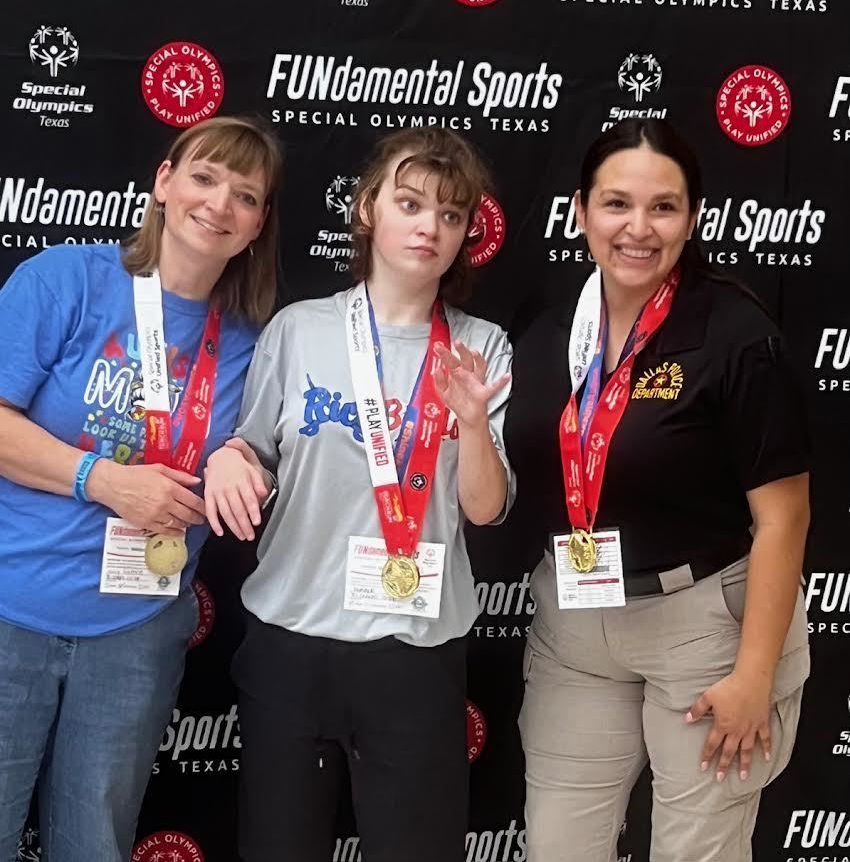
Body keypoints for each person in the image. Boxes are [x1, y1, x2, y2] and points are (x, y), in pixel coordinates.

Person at [203, 126, 515, 862]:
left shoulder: (482, 346)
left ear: (467, 232)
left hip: (414, 653)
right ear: (370, 207)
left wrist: (471, 422)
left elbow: (483, 508)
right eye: (411, 203)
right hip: (293, 641)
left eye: (450, 214)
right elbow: (254, 448)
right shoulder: (298, 329)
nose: (429, 227)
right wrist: (228, 457)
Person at [505, 118, 810, 862]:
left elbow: (785, 518)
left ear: (692, 216)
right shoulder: (550, 331)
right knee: (558, 848)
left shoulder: (735, 333)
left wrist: (753, 674)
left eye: (663, 207)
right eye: (616, 204)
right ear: (581, 212)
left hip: (705, 626)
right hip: (576, 627)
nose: (638, 228)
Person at [0, 114, 282, 861]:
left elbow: (259, 445)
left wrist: (237, 451)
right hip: (11, 612)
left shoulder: (255, 343)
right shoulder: (68, 279)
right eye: (205, 177)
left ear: (258, 226)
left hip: (134, 636)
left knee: (92, 842)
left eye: (246, 195)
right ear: (163, 182)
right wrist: (104, 480)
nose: (220, 204)